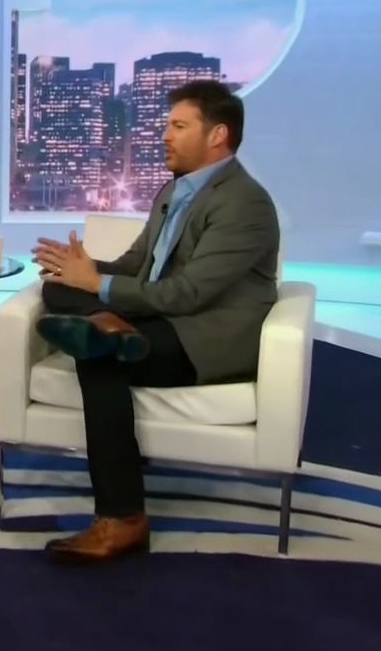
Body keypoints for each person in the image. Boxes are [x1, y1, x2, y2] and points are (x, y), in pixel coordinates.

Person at [30, 80, 280, 564]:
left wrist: (97, 285)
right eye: (168, 125)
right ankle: (107, 325)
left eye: (178, 126)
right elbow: (134, 266)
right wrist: (85, 271)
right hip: (158, 317)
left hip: (202, 335)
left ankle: (123, 519)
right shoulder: (173, 191)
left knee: (97, 357)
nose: (165, 135)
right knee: (56, 288)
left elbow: (187, 294)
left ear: (218, 135)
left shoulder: (244, 202)